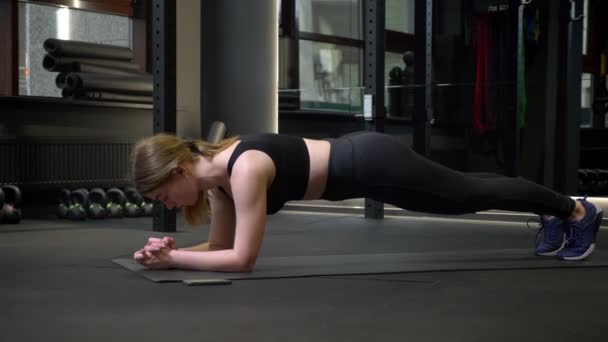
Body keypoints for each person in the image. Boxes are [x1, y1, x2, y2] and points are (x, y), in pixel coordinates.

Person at [131, 131, 603, 271]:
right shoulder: (218, 185)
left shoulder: (245, 168)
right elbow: (218, 247)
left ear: (177, 172)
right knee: (463, 191)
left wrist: (174, 264)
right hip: (365, 171)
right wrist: (170, 252)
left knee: (468, 195)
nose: (168, 204)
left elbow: (242, 258)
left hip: (374, 162)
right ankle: (556, 209)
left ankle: (576, 211)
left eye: (162, 195)